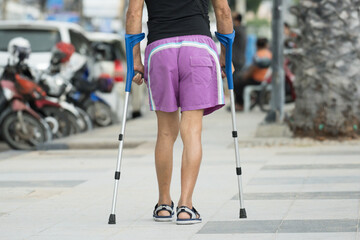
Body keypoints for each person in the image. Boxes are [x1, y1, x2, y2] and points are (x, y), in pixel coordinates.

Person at [126, 0, 233, 224]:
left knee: (165, 132)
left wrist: (135, 60)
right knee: (192, 131)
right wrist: (226, 56)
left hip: (160, 50)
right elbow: (223, 11)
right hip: (199, 47)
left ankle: (164, 204)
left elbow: (134, 14)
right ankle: (186, 206)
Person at [233, 37, 272, 110]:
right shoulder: (269, 54)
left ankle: (240, 104)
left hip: (257, 80)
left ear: (257, 45)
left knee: (237, 83)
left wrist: (245, 76)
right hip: (266, 79)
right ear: (267, 45)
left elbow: (252, 69)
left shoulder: (258, 54)